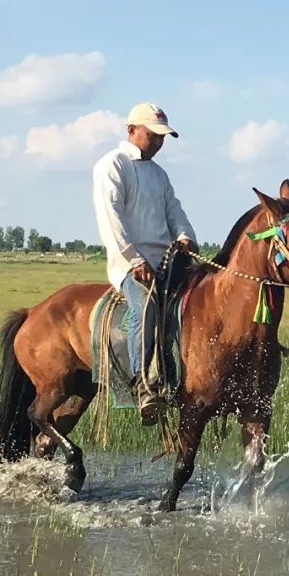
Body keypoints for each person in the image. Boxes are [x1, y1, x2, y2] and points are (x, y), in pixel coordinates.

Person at [92, 102, 198, 425]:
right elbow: (112, 219)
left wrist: (185, 236)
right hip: (130, 264)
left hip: (166, 261)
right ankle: (143, 384)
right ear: (131, 130)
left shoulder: (159, 175)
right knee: (146, 305)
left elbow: (174, 211)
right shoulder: (112, 165)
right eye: (153, 135)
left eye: (162, 137)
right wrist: (134, 259)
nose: (159, 142)